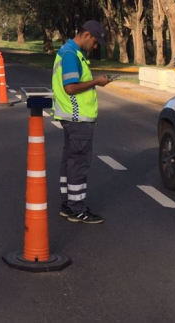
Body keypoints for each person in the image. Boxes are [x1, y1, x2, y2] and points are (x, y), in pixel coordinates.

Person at [52, 20, 114, 224]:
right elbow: (70, 87)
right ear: (86, 35)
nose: (95, 46)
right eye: (95, 41)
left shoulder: (69, 51)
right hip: (77, 119)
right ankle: (77, 209)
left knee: (69, 163)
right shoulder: (71, 55)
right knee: (78, 164)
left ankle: (68, 204)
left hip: (72, 118)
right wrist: (96, 81)